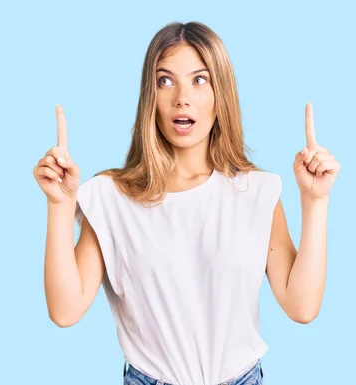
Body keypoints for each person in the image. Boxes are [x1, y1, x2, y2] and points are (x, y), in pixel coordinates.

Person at [33, 21, 340, 385]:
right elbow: (65, 311)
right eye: (165, 80)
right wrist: (59, 204)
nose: (182, 97)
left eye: (200, 79)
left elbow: (301, 307)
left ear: (220, 93)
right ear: (151, 96)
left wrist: (315, 201)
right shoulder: (112, 197)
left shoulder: (255, 192)